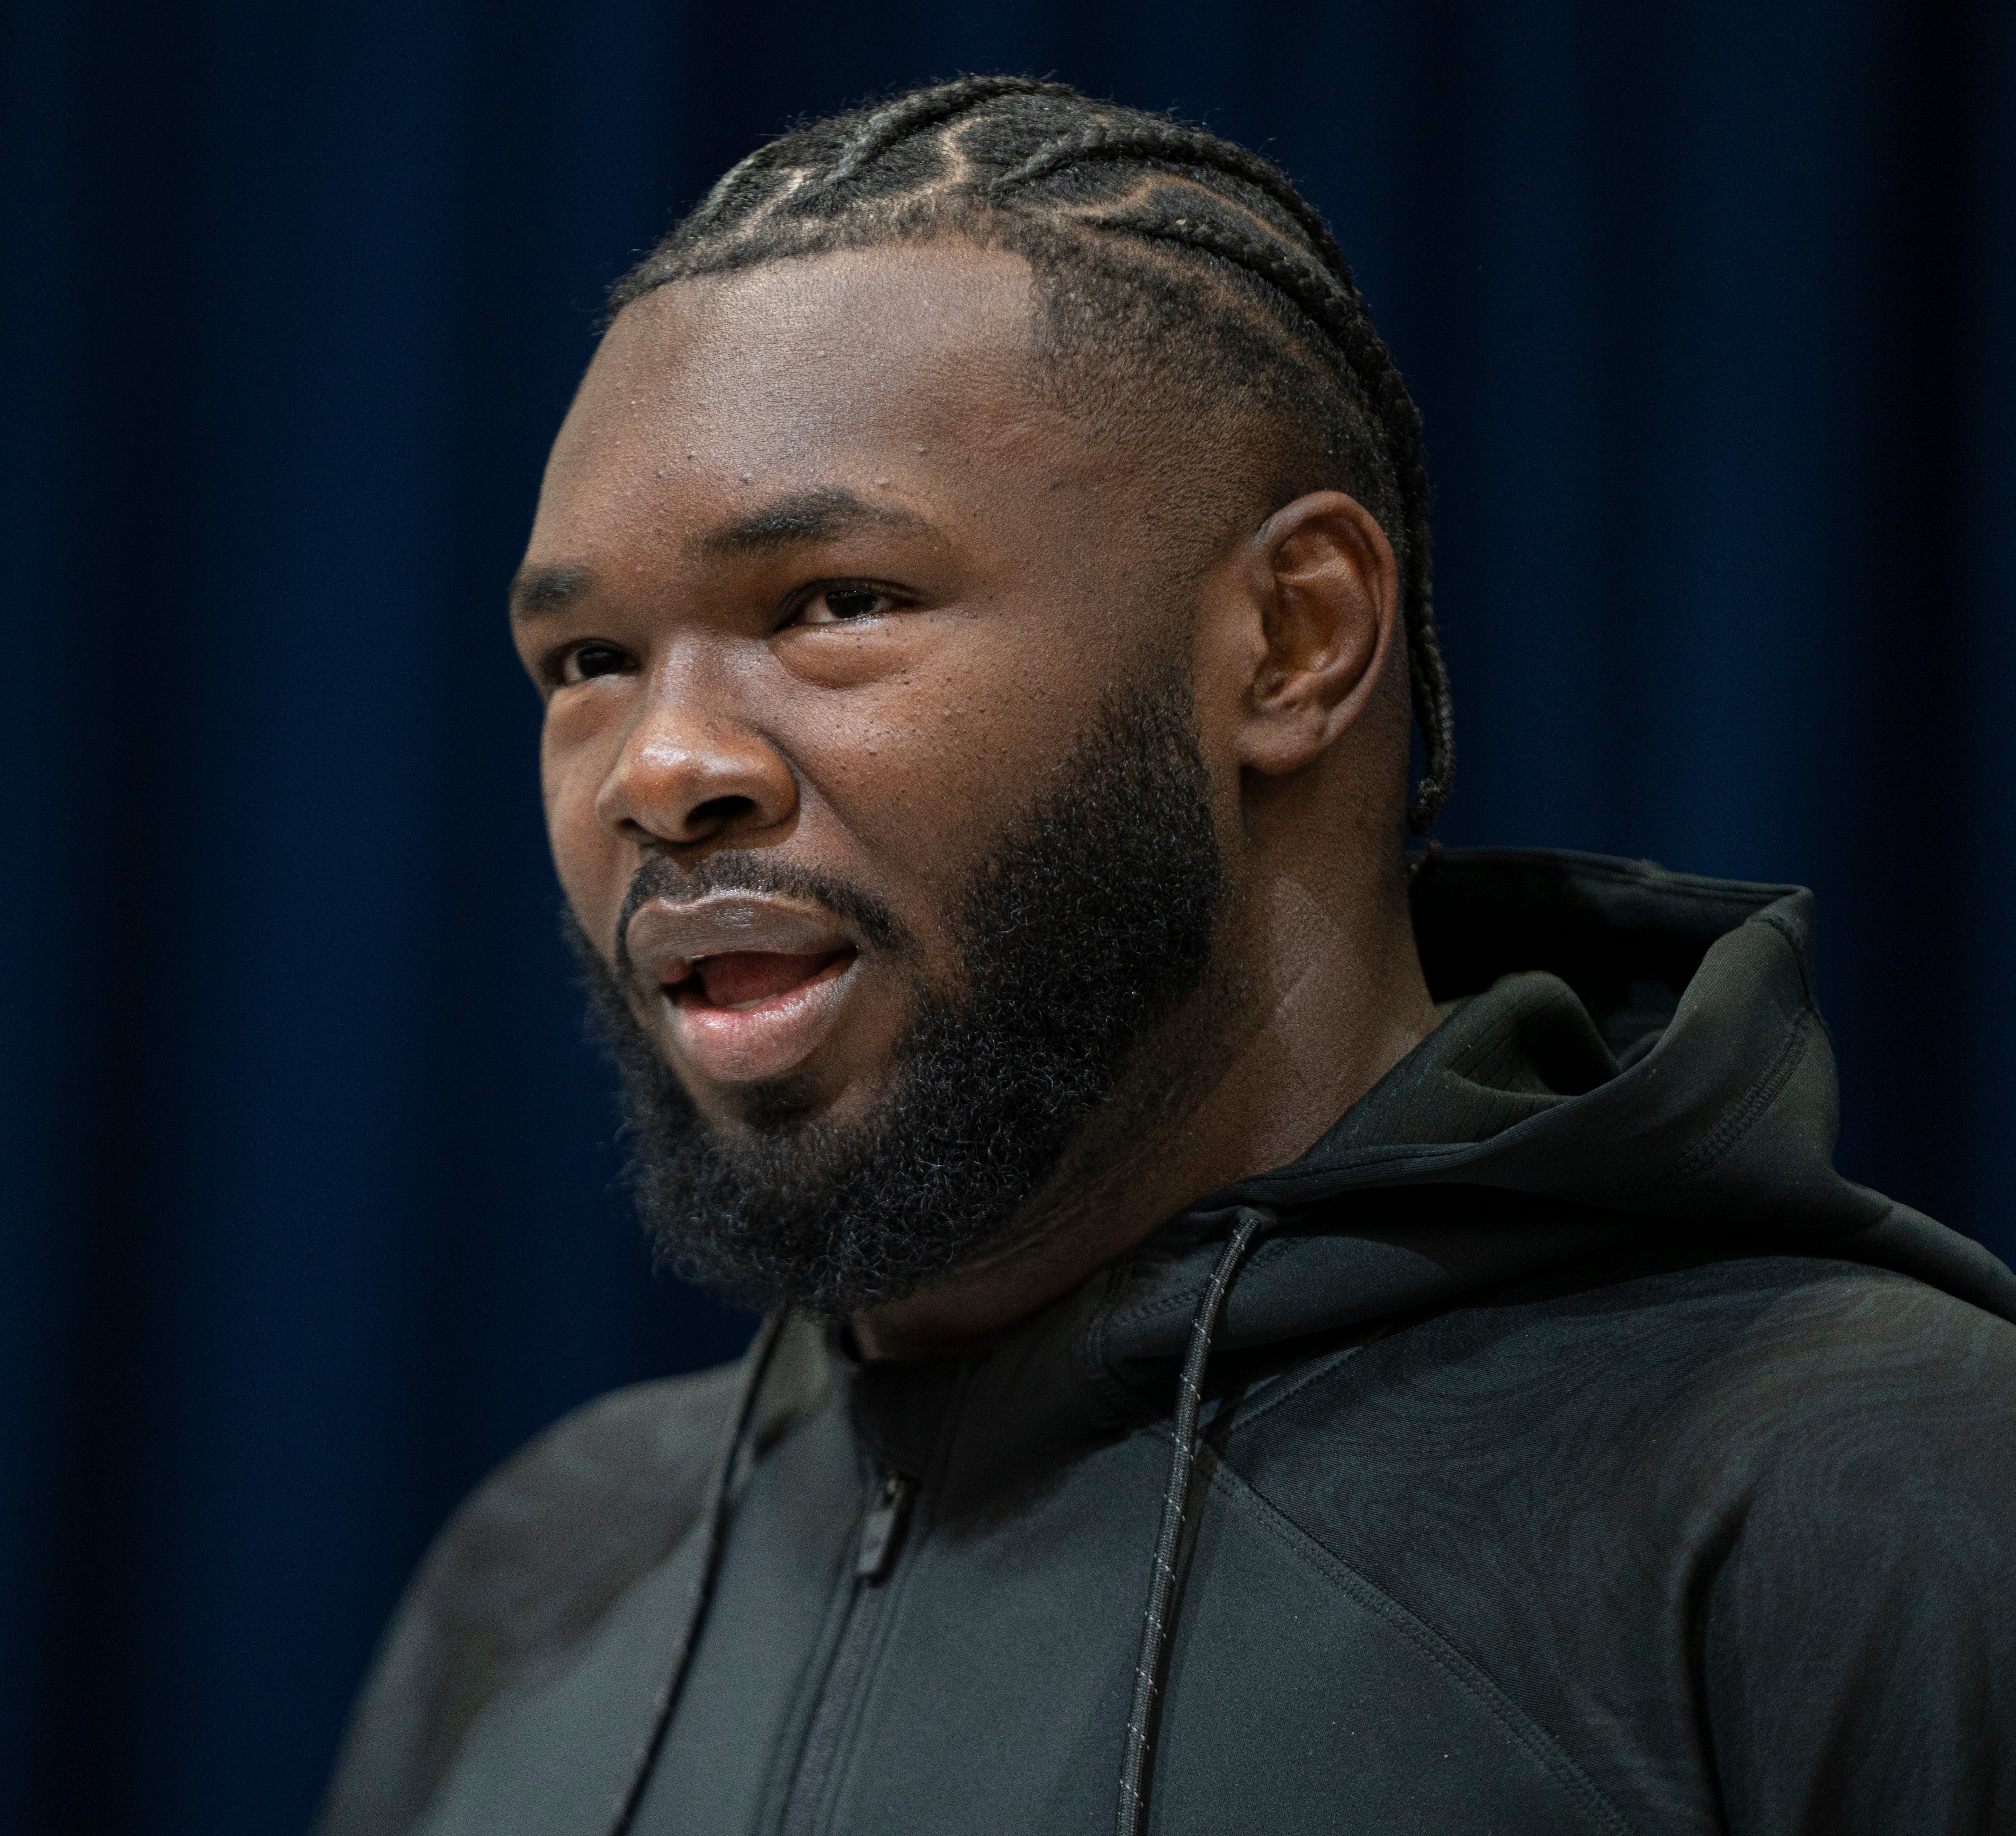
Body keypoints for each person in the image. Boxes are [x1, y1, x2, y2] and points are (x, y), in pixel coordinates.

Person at [316, 75, 2016, 1836]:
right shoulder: (546, 1570)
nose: (663, 770)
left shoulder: (1858, 1491)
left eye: (834, 604)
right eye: (586, 659)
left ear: (1293, 641)